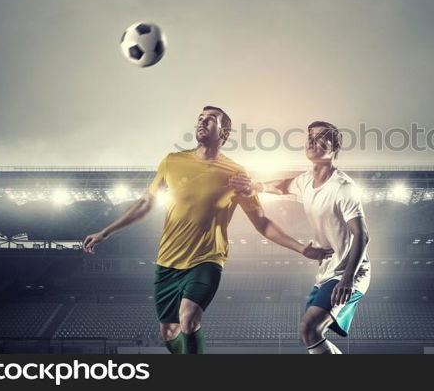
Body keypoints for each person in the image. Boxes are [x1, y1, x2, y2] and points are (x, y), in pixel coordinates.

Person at [82, 106, 331, 354]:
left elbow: (262, 223)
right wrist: (106, 232)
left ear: (224, 134)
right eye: (199, 119)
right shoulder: (172, 162)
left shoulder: (236, 173)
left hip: (207, 259)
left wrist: (301, 248)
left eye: (210, 120)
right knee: (169, 332)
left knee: (189, 318)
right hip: (168, 260)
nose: (201, 122)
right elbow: (146, 202)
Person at [229, 121, 370, 354]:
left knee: (308, 327)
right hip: (327, 271)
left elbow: (362, 236)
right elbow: (282, 186)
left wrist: (347, 279)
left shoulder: (343, 187)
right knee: (310, 333)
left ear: (334, 147)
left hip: (349, 273)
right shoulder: (305, 180)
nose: (313, 140)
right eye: (310, 136)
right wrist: (255, 186)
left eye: (321, 137)